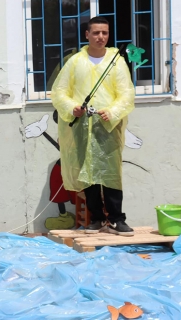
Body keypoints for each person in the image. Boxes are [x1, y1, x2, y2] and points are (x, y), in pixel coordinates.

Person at [51, 16, 135, 236]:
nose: (101, 37)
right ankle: (96, 218)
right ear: (87, 35)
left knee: (111, 172)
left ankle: (117, 219)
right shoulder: (75, 62)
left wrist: (113, 111)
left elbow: (126, 94)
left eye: (105, 33)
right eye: (96, 33)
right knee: (88, 173)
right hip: (82, 128)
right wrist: (73, 108)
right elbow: (59, 92)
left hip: (108, 127)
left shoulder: (116, 60)